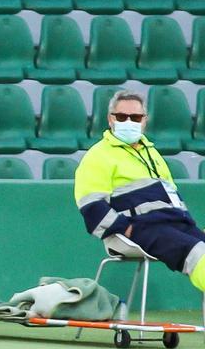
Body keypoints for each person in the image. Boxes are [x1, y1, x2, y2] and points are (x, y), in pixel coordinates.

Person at [75, 90, 205, 288]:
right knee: (197, 253)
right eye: (121, 116)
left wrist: (192, 227)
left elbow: (172, 196)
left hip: (171, 224)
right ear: (110, 119)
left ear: (145, 120)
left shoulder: (151, 152)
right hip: (136, 228)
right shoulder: (98, 155)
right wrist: (125, 228)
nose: (129, 122)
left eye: (135, 117)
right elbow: (91, 205)